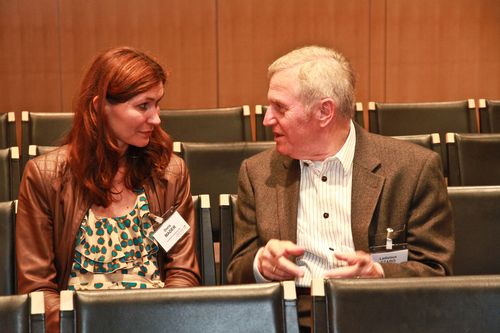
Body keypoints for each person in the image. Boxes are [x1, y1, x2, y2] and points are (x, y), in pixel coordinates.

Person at [226, 46, 454, 329]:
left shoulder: (412, 170)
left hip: (379, 318)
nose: (267, 119)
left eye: (280, 107)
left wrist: (378, 273)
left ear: (325, 111)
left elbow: (436, 271)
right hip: (291, 321)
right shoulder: (258, 173)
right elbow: (236, 273)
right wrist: (261, 265)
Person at [16, 47, 200, 332]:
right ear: (99, 106)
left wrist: (160, 321)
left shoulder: (169, 172)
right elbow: (38, 290)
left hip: (157, 323)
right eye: (143, 106)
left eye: (157, 104)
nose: (156, 118)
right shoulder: (43, 177)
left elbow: (182, 273)